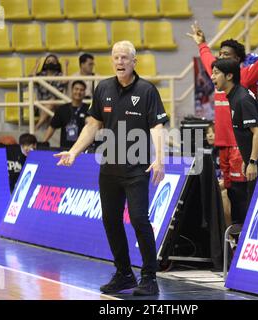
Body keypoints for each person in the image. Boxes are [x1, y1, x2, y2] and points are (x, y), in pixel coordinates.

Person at [54, 41, 168, 296]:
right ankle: (124, 274)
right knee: (111, 221)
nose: (119, 62)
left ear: (134, 61)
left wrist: (159, 159)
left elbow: (157, 128)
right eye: (116, 57)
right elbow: (93, 125)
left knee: (139, 219)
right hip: (109, 168)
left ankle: (149, 277)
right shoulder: (103, 87)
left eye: (125, 58)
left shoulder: (147, 90)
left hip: (137, 168)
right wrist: (74, 151)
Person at [187, 19, 258, 225]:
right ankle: (233, 241)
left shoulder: (244, 77)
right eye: (221, 54)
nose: (220, 58)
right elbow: (208, 58)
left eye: (227, 56)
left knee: (243, 193)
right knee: (229, 193)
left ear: (237, 61)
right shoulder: (219, 74)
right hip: (223, 145)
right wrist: (202, 43)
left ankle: (247, 233)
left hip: (241, 146)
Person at [211, 58, 258, 223]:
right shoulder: (234, 95)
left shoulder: (242, 99)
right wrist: (247, 158)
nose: (212, 77)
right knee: (254, 206)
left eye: (216, 73)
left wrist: (252, 160)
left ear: (229, 76)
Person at [42, 80, 89, 149]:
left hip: (83, 149)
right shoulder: (62, 109)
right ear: (71, 91)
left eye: (81, 90)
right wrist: (43, 143)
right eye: (76, 89)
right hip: (65, 149)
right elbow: (52, 127)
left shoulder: (89, 109)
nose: (78, 92)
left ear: (84, 93)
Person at [31, 54, 68, 130]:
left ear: (57, 64)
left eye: (53, 61)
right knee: (49, 107)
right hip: (41, 105)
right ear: (45, 64)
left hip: (57, 105)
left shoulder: (59, 75)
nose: (51, 63)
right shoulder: (40, 75)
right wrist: (37, 64)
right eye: (48, 61)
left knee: (52, 102)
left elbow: (65, 81)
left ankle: (37, 126)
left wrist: (65, 66)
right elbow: (32, 79)